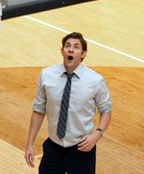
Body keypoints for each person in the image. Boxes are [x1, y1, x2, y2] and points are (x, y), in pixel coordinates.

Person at [24, 32, 111, 174]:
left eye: (76, 47)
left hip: (82, 149)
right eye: (67, 46)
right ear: (62, 51)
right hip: (53, 148)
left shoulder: (95, 80)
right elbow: (38, 110)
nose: (71, 49)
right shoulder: (46, 75)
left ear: (83, 54)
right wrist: (29, 144)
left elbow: (106, 110)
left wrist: (97, 134)